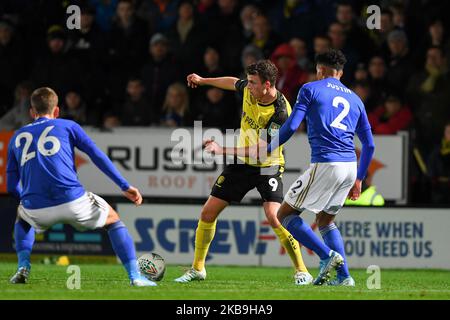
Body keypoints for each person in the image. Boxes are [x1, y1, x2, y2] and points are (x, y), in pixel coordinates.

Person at [174, 60, 312, 285]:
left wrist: (221, 149)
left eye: (253, 83)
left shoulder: (280, 112)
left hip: (268, 164)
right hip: (241, 163)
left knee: (275, 217)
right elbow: (231, 83)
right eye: (248, 82)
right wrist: (203, 81)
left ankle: (302, 271)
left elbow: (260, 151)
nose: (248, 87)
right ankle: (197, 269)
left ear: (267, 84)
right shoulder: (249, 90)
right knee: (208, 213)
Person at [6, 87, 155, 287]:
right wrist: (124, 185)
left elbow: (11, 185)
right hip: (73, 200)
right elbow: (96, 155)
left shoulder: (17, 136)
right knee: (112, 219)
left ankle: (23, 267)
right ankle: (135, 276)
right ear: (57, 111)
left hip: (36, 207)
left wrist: (27, 200)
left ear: (32, 112)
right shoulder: (68, 126)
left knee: (22, 217)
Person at [265, 49, 375, 286]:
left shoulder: (310, 89)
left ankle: (326, 256)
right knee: (325, 221)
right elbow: (370, 145)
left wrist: (269, 147)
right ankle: (344, 277)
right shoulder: (356, 99)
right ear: (341, 72)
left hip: (327, 162)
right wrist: (360, 178)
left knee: (284, 214)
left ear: (320, 70)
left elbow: (293, 124)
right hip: (349, 167)